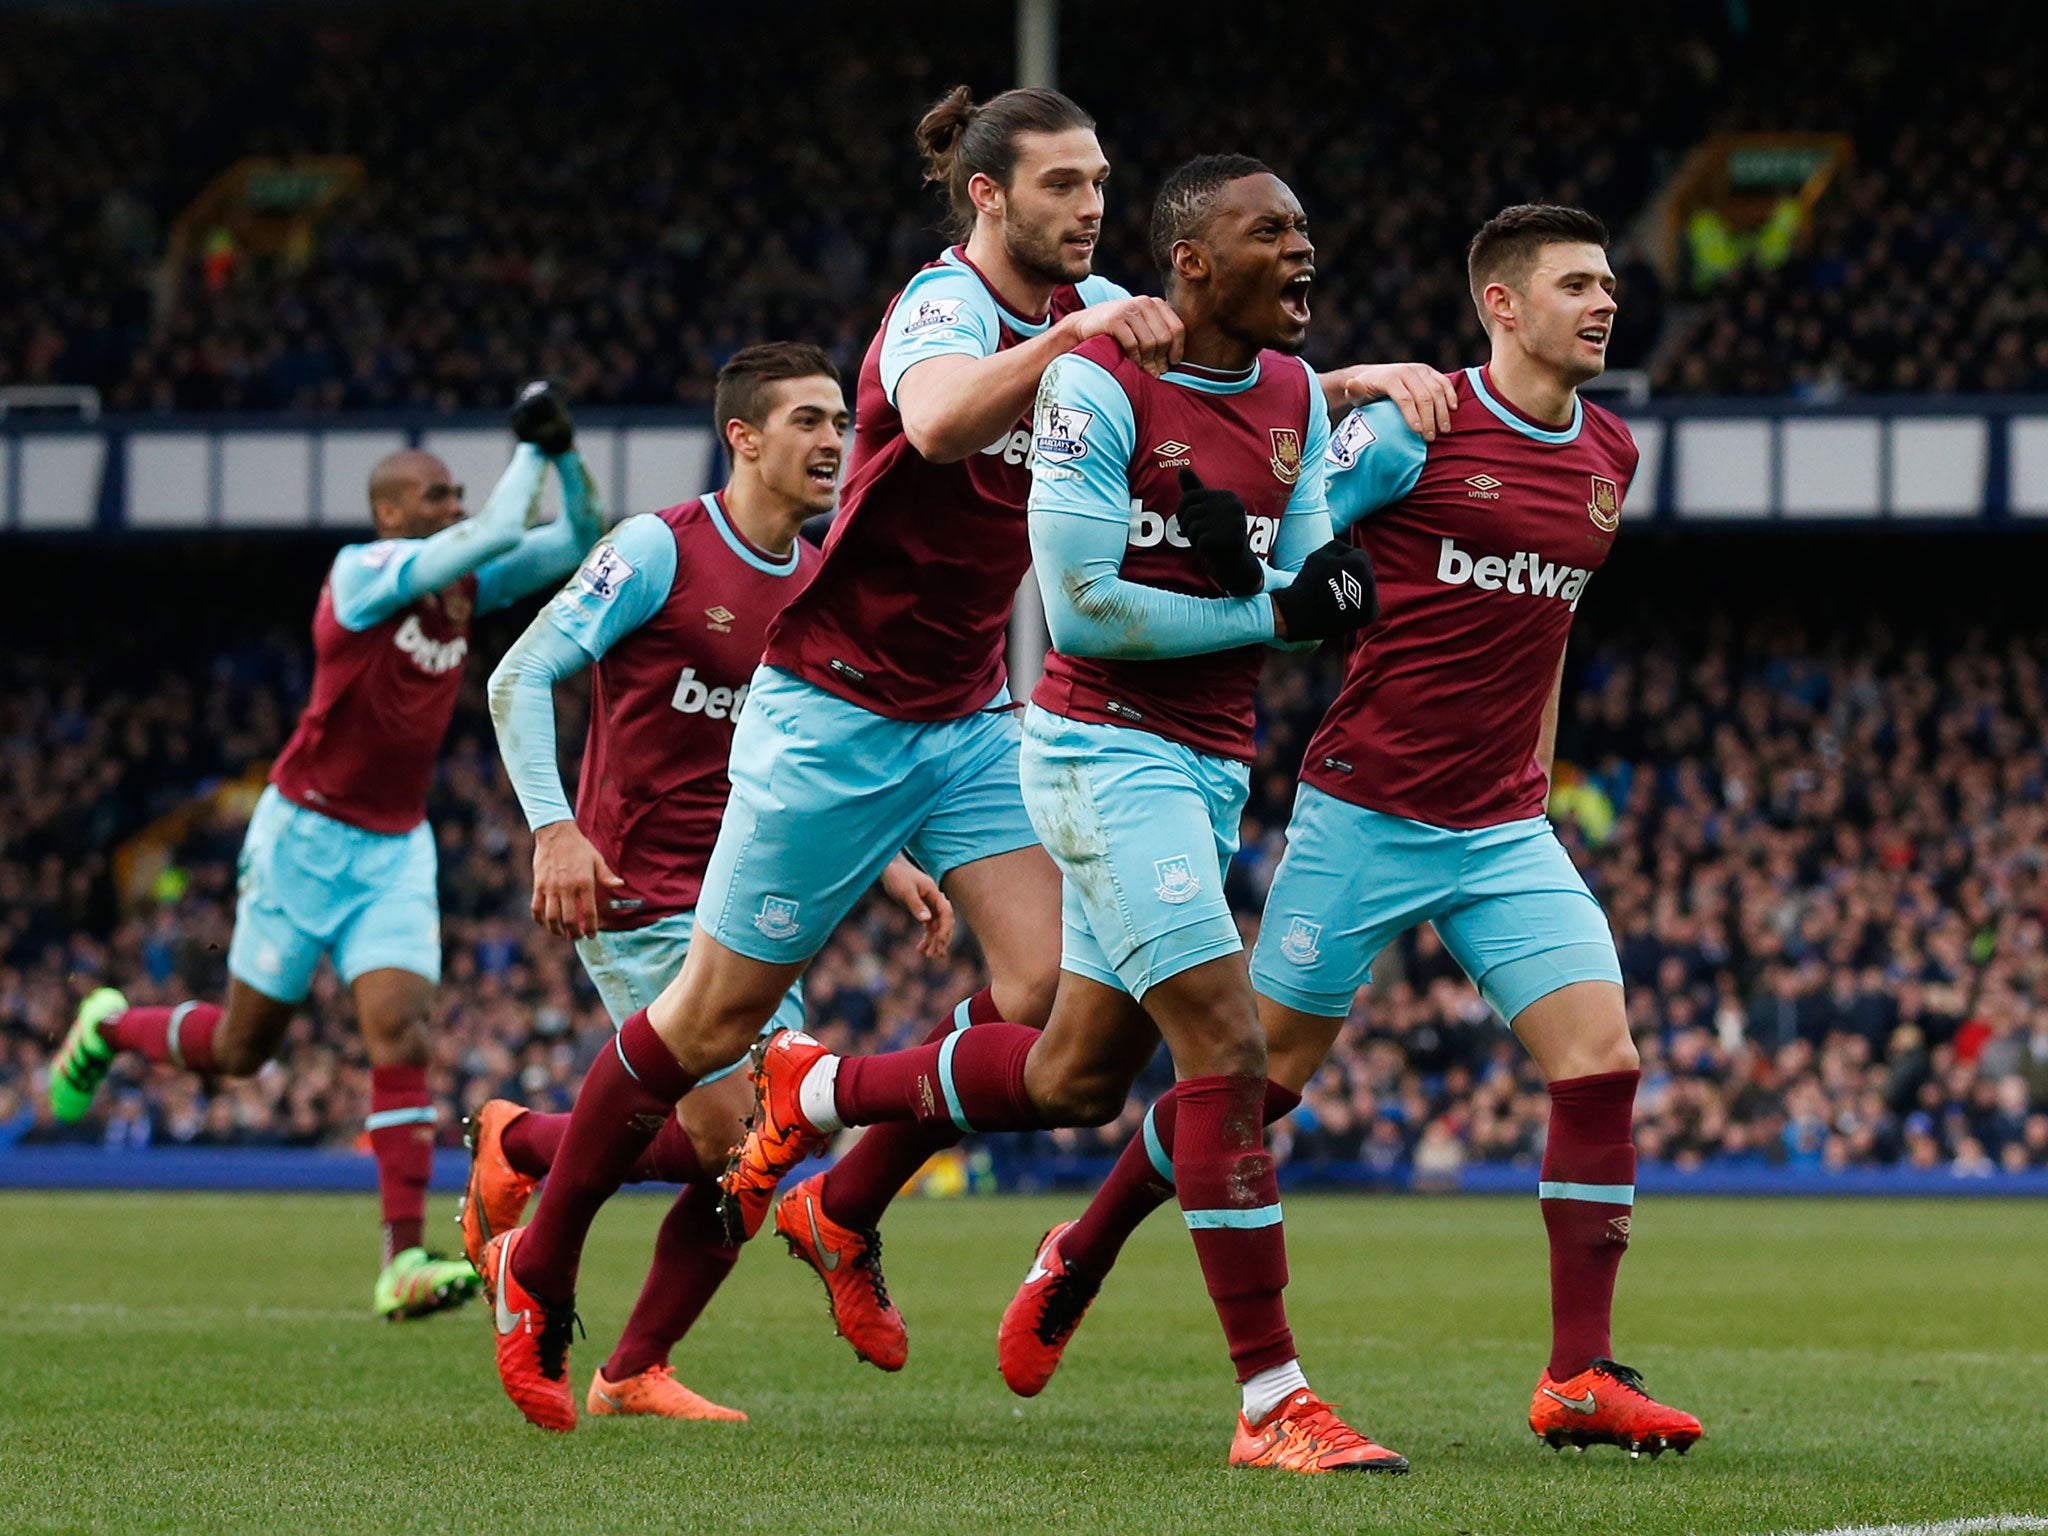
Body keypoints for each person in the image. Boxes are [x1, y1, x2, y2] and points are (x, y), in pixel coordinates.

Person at [726, 156, 1401, 1474]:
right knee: (1228, 1048)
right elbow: (1085, 609)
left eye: (1308, 228)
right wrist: (1268, 602)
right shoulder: (1094, 382)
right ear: (1192, 262)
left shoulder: (1294, 398)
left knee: (1075, 1075)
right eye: (1274, 231)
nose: (1304, 249)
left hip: (1210, 760)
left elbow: (1318, 576)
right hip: (1100, 750)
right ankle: (1274, 1402)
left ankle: (821, 1091)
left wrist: (1289, 571)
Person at [996, 205, 1705, 1460]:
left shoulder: (1609, 450)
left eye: (1607, 284)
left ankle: (1578, 1375)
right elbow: (1275, 497)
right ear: (1500, 304)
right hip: (1362, 810)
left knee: (1601, 1062)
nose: (1604, 304)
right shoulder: (1409, 433)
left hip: (1501, 826)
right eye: (1576, 285)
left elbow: (1549, 622)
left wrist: (1535, 766)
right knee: (1252, 1093)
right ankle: (1080, 1248)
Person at [471, 343, 950, 1429]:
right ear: (742, 436)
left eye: (841, 421)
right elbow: (519, 674)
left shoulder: (823, 578)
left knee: (762, 1142)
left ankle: (623, 1343)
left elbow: (806, 753)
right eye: (808, 422)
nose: (834, 441)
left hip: (752, 892)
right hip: (636, 882)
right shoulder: (655, 548)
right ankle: (529, 1195)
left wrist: (885, 861)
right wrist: (552, 829)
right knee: (743, 1130)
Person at [49, 384, 603, 1319]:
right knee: (242, 1050)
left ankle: (401, 1261)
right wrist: (526, 448)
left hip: (394, 845)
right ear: (390, 513)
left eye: (455, 495)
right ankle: (108, 1027)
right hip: (302, 836)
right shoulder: (359, 574)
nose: (454, 508)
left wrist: (560, 451)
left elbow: (579, 536)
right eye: (436, 496)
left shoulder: (459, 589)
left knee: (402, 1035)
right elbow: (501, 524)